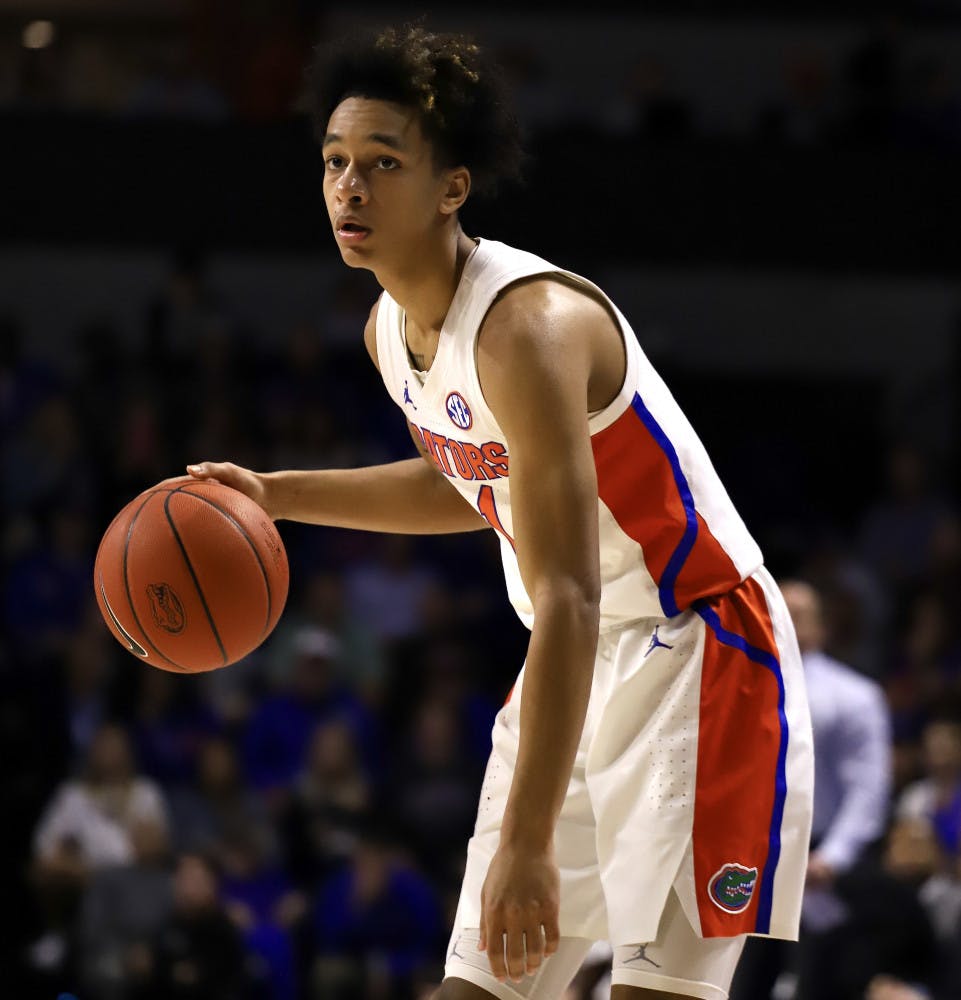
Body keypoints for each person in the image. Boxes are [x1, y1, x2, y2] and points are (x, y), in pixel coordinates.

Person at [184, 22, 814, 1000]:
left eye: (383, 163)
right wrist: (275, 494)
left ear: (451, 187)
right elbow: (472, 484)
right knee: (480, 989)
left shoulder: (529, 325)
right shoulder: (387, 330)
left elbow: (568, 589)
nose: (350, 187)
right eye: (335, 162)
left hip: (696, 650)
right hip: (573, 659)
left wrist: (524, 843)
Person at [732, 579, 892, 1000]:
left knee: (816, 981)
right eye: (778, 609)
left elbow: (868, 789)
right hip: (753, 855)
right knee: (744, 980)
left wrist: (832, 858)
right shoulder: (739, 687)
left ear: (821, 628)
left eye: (799, 614)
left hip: (823, 862)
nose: (785, 619)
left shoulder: (856, 696)